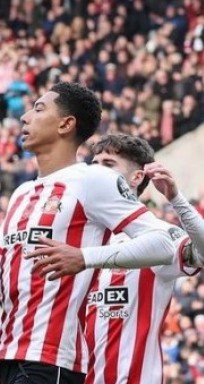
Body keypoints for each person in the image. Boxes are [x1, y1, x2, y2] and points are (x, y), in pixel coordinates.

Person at [0, 83, 178, 384]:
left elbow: (163, 243)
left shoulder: (92, 180)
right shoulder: (21, 193)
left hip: (50, 360)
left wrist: (84, 258)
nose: (26, 117)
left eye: (39, 109)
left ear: (66, 124)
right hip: (7, 352)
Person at [84, 134, 204, 384]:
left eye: (108, 164)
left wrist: (176, 199)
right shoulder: (80, 236)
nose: (96, 170)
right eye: (94, 163)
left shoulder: (156, 237)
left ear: (136, 178)